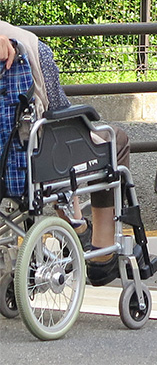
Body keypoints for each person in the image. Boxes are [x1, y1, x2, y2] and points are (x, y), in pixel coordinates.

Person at [0, 21, 129, 286]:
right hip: (25, 166)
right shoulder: (27, 47)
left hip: (13, 164)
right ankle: (99, 250)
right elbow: (60, 118)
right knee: (112, 141)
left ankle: (77, 228)